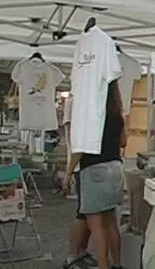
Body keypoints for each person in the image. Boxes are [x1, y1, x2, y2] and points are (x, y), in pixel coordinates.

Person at [64, 81, 126, 269]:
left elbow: (80, 148)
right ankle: (117, 264)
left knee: (95, 224)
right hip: (115, 167)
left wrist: (68, 173)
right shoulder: (117, 114)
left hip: (94, 168)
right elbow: (123, 141)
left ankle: (102, 266)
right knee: (111, 223)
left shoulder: (89, 114)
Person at [62, 95, 98, 269]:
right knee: (83, 211)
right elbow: (72, 138)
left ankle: (82, 252)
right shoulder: (74, 102)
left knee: (89, 212)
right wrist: (70, 170)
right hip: (80, 165)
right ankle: (72, 255)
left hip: (91, 165)